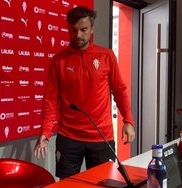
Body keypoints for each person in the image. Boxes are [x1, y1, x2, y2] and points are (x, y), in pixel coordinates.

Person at [33, 6, 135, 179]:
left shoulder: (107, 56)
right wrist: (45, 132)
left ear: (92, 29)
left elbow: (120, 91)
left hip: (101, 137)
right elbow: (50, 100)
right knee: (68, 184)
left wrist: (128, 120)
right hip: (68, 138)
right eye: (73, 30)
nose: (78, 35)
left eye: (83, 29)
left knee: (104, 183)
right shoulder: (59, 61)